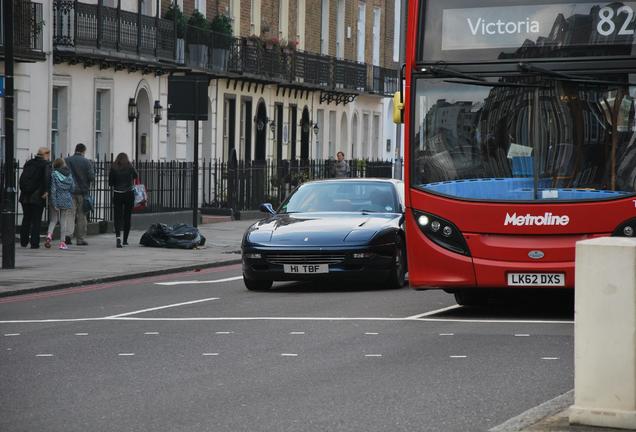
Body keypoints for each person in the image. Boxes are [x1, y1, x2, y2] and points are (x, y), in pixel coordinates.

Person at [18, 147, 51, 249]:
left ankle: (23, 242)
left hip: (25, 196)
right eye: (48, 154)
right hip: (37, 196)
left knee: (26, 218)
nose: (49, 156)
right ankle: (34, 243)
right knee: (36, 220)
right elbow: (47, 178)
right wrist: (46, 191)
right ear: (45, 154)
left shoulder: (29, 163)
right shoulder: (45, 164)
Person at [65, 143, 94, 246]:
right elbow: (91, 177)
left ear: (75, 149)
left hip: (70, 191)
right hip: (82, 192)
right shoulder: (87, 162)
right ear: (83, 151)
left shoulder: (67, 160)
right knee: (82, 216)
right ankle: (80, 239)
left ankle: (68, 235)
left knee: (70, 214)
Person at [108, 152, 138, 248]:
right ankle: (125, 240)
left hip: (117, 194)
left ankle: (118, 238)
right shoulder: (130, 166)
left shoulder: (113, 168)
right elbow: (136, 176)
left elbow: (110, 183)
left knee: (117, 217)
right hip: (129, 193)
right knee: (127, 216)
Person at [45, 158, 75, 250]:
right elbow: (72, 188)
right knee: (63, 221)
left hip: (56, 198)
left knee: (53, 220)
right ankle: (62, 242)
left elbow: (53, 189)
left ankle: (49, 235)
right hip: (66, 199)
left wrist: (54, 202)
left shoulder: (54, 174)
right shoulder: (69, 175)